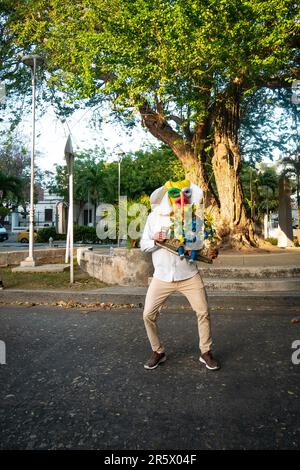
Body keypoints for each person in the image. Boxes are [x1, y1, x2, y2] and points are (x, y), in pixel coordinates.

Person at [140, 180, 220, 371]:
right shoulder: (154, 217)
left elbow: (201, 245)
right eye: (176, 195)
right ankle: (158, 351)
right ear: (168, 195)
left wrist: (203, 247)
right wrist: (155, 239)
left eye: (186, 195)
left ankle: (206, 352)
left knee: (203, 311)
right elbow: (143, 245)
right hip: (162, 276)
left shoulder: (194, 217)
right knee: (148, 314)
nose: (181, 198)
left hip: (189, 274)